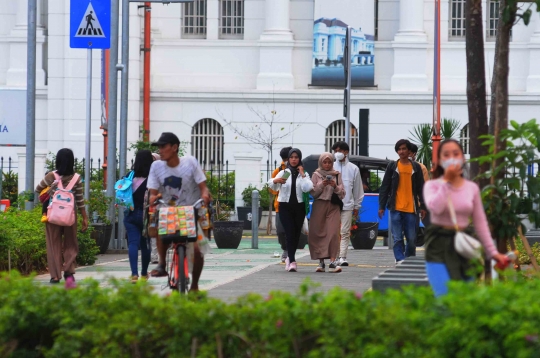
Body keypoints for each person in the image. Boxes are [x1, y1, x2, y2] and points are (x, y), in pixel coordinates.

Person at [423, 139, 508, 296]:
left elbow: (480, 223)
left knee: (464, 298)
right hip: (438, 243)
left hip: (464, 244)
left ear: (463, 158)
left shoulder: (471, 188)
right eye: (446, 155)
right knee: (444, 296)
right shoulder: (432, 186)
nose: (452, 158)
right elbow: (435, 207)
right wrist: (446, 182)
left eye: (456, 154)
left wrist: (493, 253)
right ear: (440, 161)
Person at [147, 132, 211, 292]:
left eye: (163, 146)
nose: (160, 150)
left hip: (191, 211)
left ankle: (194, 285)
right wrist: (154, 197)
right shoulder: (156, 166)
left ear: (174, 147)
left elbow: (203, 187)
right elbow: (152, 193)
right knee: (161, 229)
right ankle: (162, 263)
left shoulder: (190, 163)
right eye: (159, 147)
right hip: (167, 212)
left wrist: (205, 194)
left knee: (197, 251)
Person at [35, 148, 89, 286]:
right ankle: (69, 273)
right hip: (70, 216)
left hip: (52, 215)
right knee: (71, 244)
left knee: (53, 244)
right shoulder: (76, 178)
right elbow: (79, 199)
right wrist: (84, 217)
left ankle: (55, 276)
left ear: (57, 160)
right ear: (72, 161)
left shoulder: (51, 176)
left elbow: (38, 189)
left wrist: (52, 190)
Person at [379, 139, 426, 264]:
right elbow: (385, 187)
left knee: (411, 238)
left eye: (404, 149)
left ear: (409, 151)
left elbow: (421, 188)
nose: (401, 151)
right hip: (395, 207)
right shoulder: (392, 166)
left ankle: (409, 259)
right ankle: (399, 259)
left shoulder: (416, 167)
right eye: (399, 149)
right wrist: (381, 206)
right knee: (397, 237)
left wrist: (423, 207)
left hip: (411, 209)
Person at [269, 148, 313, 272]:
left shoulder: (303, 173)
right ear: (288, 159)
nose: (294, 159)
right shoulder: (284, 172)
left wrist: (303, 174)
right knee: (288, 232)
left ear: (299, 159)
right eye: (292, 157)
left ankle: (289, 258)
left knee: (295, 234)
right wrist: (276, 180)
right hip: (285, 206)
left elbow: (308, 187)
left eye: (296, 157)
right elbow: (272, 185)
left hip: (299, 207)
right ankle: (292, 260)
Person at [308, 152, 345, 273]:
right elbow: (313, 193)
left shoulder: (337, 175)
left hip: (333, 206)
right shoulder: (316, 175)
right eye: (325, 162)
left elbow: (343, 193)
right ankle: (321, 261)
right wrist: (321, 185)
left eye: (329, 162)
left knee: (333, 233)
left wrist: (335, 186)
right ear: (321, 163)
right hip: (319, 205)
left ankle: (333, 261)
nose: (327, 164)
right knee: (318, 233)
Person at [123, 150, 153, 283]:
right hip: (147, 215)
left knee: (133, 244)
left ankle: (134, 274)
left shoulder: (130, 175)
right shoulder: (152, 177)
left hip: (131, 213)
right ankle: (144, 273)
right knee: (146, 245)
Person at [332, 141, 363, 267]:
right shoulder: (331, 167)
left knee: (344, 232)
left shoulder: (353, 168)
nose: (337, 153)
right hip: (333, 205)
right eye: (335, 151)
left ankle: (342, 256)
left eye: (340, 150)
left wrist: (356, 206)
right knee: (334, 232)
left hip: (347, 205)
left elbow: (357, 189)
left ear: (346, 152)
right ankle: (334, 256)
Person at [270, 146, 292, 263]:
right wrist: (277, 183)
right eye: (284, 158)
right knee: (280, 231)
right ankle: (285, 248)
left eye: (287, 158)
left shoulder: (298, 170)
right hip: (280, 205)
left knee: (291, 230)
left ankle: (289, 252)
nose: (286, 161)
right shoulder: (278, 171)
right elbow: (272, 190)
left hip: (293, 205)